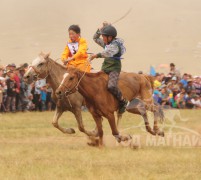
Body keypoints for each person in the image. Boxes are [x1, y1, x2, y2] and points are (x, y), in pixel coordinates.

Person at [89, 22, 127, 113]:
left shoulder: (115, 46)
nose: (102, 38)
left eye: (104, 37)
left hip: (114, 69)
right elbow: (95, 38)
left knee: (111, 86)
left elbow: (107, 53)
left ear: (110, 37)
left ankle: (122, 101)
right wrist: (100, 29)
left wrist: (95, 55)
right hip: (105, 68)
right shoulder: (107, 43)